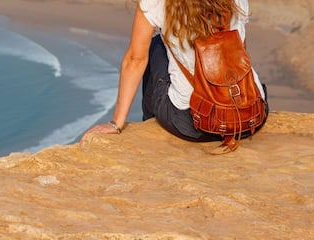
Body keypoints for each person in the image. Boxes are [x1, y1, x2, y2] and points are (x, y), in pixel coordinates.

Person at [82, 0, 267, 153]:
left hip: (192, 124)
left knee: (155, 45)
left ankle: (150, 124)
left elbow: (135, 60)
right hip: (250, 115)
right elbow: (239, 49)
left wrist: (116, 123)